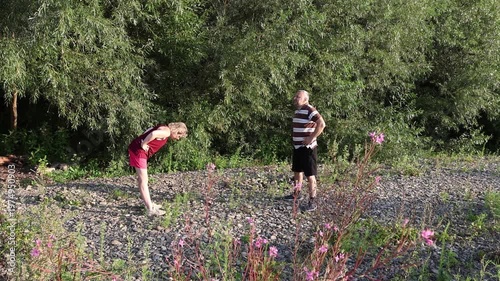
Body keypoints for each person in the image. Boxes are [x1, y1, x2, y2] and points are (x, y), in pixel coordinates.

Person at [128, 122, 188, 216]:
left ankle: (149, 204)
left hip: (137, 149)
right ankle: (150, 209)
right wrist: (144, 143)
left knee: (142, 180)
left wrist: (143, 142)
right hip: (139, 152)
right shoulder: (167, 132)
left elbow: (147, 132)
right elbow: (153, 134)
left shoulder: (163, 127)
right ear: (177, 131)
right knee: (143, 180)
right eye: (179, 136)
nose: (177, 139)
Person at [284, 90, 326, 212]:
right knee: (297, 171)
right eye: (295, 96)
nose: (295, 98)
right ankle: (296, 193)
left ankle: (313, 201)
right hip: (298, 147)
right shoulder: (298, 110)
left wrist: (311, 138)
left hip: (308, 148)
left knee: (310, 175)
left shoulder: (310, 109)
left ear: (305, 99)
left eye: (298, 96)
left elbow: (321, 124)